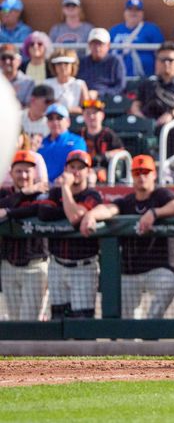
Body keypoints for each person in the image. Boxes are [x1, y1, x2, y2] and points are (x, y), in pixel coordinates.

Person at [80, 154, 174, 319]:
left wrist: (155, 212)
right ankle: (136, 339)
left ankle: (151, 325)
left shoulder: (162, 195)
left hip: (157, 269)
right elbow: (109, 209)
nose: (141, 177)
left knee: (168, 283)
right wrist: (91, 215)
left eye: (146, 172)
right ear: (132, 176)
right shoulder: (128, 201)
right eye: (137, 172)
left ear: (154, 174)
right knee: (128, 325)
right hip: (130, 271)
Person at [39, 150, 102, 319]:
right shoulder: (54, 194)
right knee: (59, 318)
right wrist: (65, 209)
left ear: (88, 172)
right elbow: (43, 213)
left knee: (82, 320)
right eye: (72, 167)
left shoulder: (92, 195)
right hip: (57, 264)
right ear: (65, 169)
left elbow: (75, 217)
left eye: (80, 168)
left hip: (83, 266)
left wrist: (65, 188)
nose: (75, 171)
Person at [0, 150, 49, 321]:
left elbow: (38, 209)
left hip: (34, 265)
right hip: (9, 265)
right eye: (19, 171)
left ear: (34, 172)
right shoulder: (4, 193)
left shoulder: (41, 192)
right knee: (14, 321)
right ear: (11, 173)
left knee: (30, 321)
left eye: (27, 171)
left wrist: (8, 212)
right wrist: (22, 194)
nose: (23, 175)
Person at [129, 42, 174, 153]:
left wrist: (170, 114)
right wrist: (141, 117)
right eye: (162, 60)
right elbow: (136, 104)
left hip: (171, 122)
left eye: (170, 60)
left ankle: (168, 167)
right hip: (148, 120)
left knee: (173, 130)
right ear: (156, 63)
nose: (166, 63)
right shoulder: (148, 83)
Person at [109, 0, 165, 79]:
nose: (133, 13)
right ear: (125, 12)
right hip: (118, 78)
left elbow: (161, 53)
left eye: (137, 10)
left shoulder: (152, 29)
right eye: (130, 10)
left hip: (145, 78)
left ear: (142, 13)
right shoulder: (115, 30)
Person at [78, 98, 124, 183]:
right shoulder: (79, 135)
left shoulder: (108, 134)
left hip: (104, 170)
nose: (91, 116)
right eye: (88, 113)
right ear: (83, 116)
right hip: (81, 170)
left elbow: (122, 152)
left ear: (102, 115)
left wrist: (105, 156)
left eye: (94, 113)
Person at [78, 27, 126, 101]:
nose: (97, 47)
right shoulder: (82, 62)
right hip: (84, 100)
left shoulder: (115, 61)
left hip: (109, 101)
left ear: (108, 45)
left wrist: (99, 93)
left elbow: (120, 86)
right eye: (94, 44)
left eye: (100, 44)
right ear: (89, 45)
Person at [43, 49, 89, 115]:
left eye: (66, 63)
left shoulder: (80, 84)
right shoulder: (46, 84)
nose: (62, 67)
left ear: (72, 66)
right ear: (54, 66)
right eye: (59, 64)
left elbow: (86, 109)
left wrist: (64, 109)